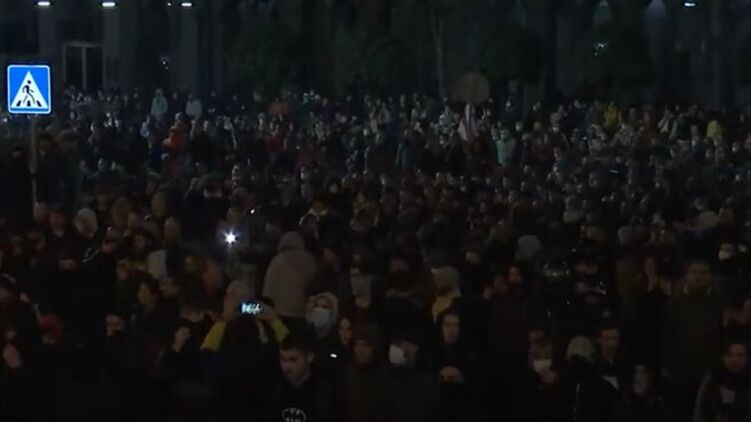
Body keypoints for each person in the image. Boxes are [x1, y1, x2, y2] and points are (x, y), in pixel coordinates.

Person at [664, 259, 727, 420]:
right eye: (695, 272)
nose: (699, 276)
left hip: (708, 368)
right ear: (687, 275)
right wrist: (666, 363)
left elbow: (722, 335)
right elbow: (667, 334)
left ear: (710, 276)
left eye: (703, 272)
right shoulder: (675, 303)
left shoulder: (719, 303)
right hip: (680, 368)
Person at [266, 334, 337, 422]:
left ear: (310, 357)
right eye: (283, 359)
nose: (286, 367)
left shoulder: (324, 393)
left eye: (293, 360)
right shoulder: (275, 388)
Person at [263, 232, 318, 331]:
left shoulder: (276, 262)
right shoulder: (309, 260)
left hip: (278, 313)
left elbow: (268, 290)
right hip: (301, 314)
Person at [693, 340, 751, 422]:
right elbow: (700, 412)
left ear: (747, 359)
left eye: (740, 355)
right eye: (730, 355)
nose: (735, 360)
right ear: (723, 358)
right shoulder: (713, 379)